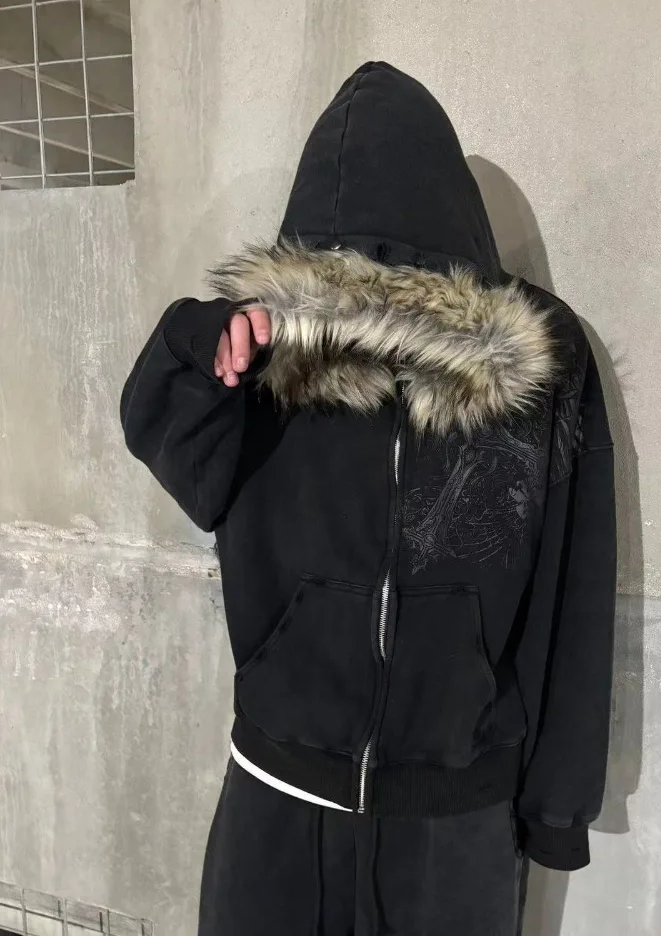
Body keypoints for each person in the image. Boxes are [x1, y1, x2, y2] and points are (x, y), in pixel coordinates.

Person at [120, 62, 617, 936]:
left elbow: (573, 589)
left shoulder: (540, 362)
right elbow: (167, 443)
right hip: (275, 810)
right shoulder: (265, 348)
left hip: (456, 826)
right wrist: (189, 344)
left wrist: (556, 808)